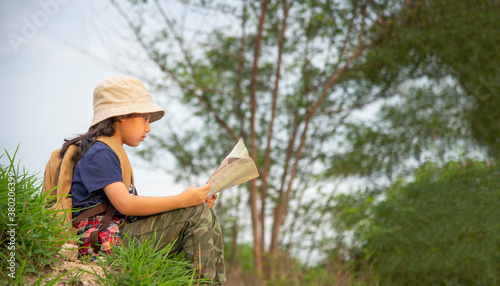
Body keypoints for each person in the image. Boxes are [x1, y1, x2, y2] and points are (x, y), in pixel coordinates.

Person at [61, 76, 226, 285]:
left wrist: (193, 202)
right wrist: (183, 201)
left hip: (117, 234)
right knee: (196, 214)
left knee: (204, 214)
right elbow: (125, 204)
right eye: (145, 119)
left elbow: (128, 212)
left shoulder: (111, 151)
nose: (148, 128)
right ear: (121, 114)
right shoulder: (100, 152)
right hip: (103, 240)